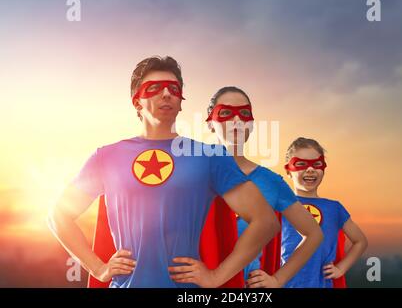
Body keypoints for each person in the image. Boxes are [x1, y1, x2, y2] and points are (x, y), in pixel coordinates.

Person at [47, 56, 280, 288]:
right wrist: (99, 268)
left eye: (174, 89)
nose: (166, 93)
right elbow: (59, 215)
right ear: (136, 102)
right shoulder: (106, 157)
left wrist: (216, 277)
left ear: (180, 102)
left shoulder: (209, 156)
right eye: (154, 88)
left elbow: (265, 221)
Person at [200, 87, 323, 288]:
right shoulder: (190, 172)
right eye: (226, 113)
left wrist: (277, 279)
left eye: (244, 114)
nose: (237, 120)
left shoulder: (270, 181)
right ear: (210, 123)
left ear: (251, 124)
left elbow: (313, 234)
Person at [282, 137, 368, 287]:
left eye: (316, 164)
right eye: (301, 164)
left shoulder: (334, 209)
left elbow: (360, 241)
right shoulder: (280, 206)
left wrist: (341, 268)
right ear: (288, 171)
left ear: (323, 169)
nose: (310, 169)